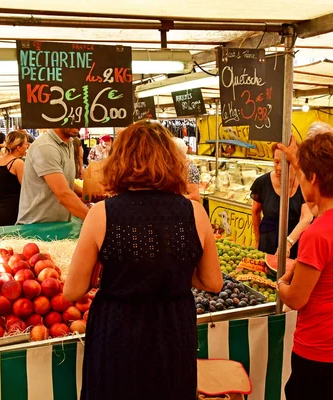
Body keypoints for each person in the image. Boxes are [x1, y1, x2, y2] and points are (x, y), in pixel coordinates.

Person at [63, 121, 222, 400]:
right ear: (172, 161)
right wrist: (176, 271)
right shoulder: (195, 212)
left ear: (119, 160)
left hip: (117, 330)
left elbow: (73, 290)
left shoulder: (101, 214)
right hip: (173, 329)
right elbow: (213, 282)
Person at [277, 133, 333, 400]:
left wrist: (280, 282)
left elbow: (295, 298)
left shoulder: (318, 233)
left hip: (320, 348)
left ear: (314, 177)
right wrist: (297, 163)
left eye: (303, 174)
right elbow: (316, 203)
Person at [251, 143, 312, 259]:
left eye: (286, 163)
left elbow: (306, 218)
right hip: (268, 239)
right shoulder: (262, 183)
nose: (279, 168)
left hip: (295, 240)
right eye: (276, 162)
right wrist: (257, 239)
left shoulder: (305, 184)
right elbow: (255, 211)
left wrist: (288, 243)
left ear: (296, 162)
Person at [17, 128, 89, 224]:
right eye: (74, 118)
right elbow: (63, 194)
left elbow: (65, 182)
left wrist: (88, 195)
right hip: (37, 227)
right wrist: (96, 220)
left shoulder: (69, 143)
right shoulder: (46, 147)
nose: (79, 124)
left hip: (58, 225)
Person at [0, 131, 28, 226]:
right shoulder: (17, 163)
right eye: (26, 144)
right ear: (18, 147)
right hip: (13, 212)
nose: (27, 147)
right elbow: (26, 188)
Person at [172, 137, 200, 202]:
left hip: (182, 207)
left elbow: (195, 196)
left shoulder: (189, 168)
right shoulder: (173, 166)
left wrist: (172, 199)